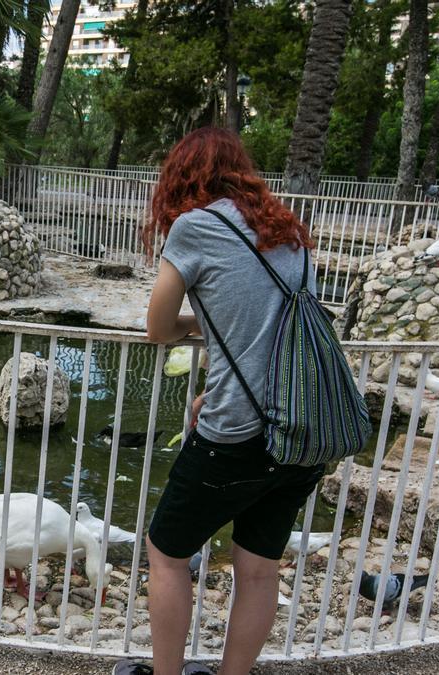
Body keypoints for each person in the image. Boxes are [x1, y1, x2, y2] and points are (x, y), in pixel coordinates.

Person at [114, 128, 322, 675]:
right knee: (258, 568)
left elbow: (158, 327)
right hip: (302, 430)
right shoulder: (286, 228)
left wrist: (194, 324)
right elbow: (280, 334)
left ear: (182, 179)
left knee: (167, 553)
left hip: (237, 434)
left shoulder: (196, 226)